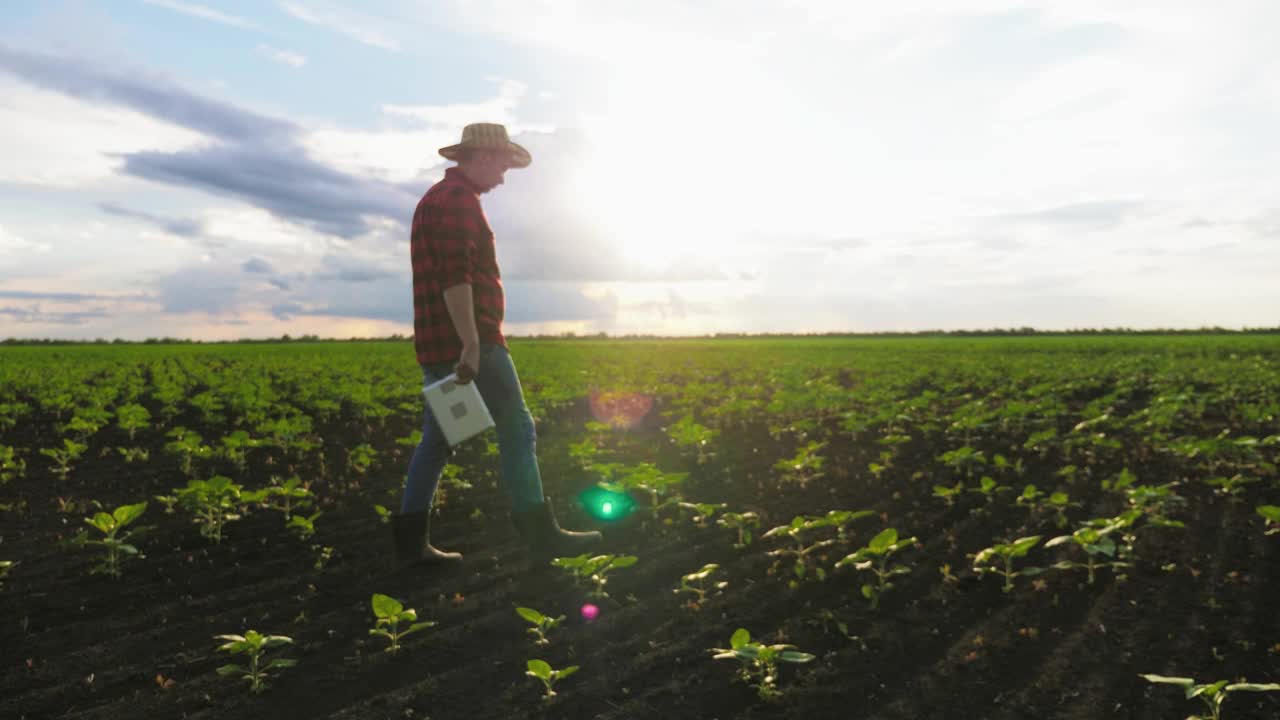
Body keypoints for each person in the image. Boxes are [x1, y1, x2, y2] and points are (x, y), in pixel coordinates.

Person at [392, 122, 602, 570]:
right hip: (475, 346)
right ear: (483, 158)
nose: (504, 176)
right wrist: (470, 342)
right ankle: (542, 535)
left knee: (439, 440)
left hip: (436, 344)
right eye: (503, 164)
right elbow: (456, 276)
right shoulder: (460, 203)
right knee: (517, 429)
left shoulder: (434, 199)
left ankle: (410, 542)